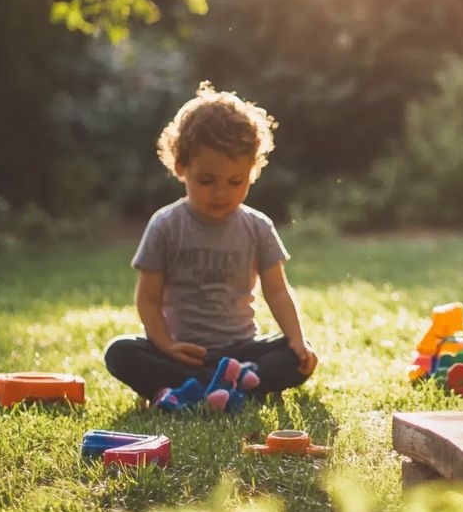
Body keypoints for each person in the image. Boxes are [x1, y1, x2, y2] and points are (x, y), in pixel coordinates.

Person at [104, 82, 318, 407]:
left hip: (240, 350)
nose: (221, 193)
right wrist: (166, 346)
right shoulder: (165, 225)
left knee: (295, 356)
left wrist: (297, 339)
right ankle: (231, 387)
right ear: (181, 167)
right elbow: (148, 299)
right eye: (206, 181)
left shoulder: (257, 227)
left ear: (253, 172)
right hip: (183, 353)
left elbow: (277, 291)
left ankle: (200, 388)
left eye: (236, 182)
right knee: (120, 353)